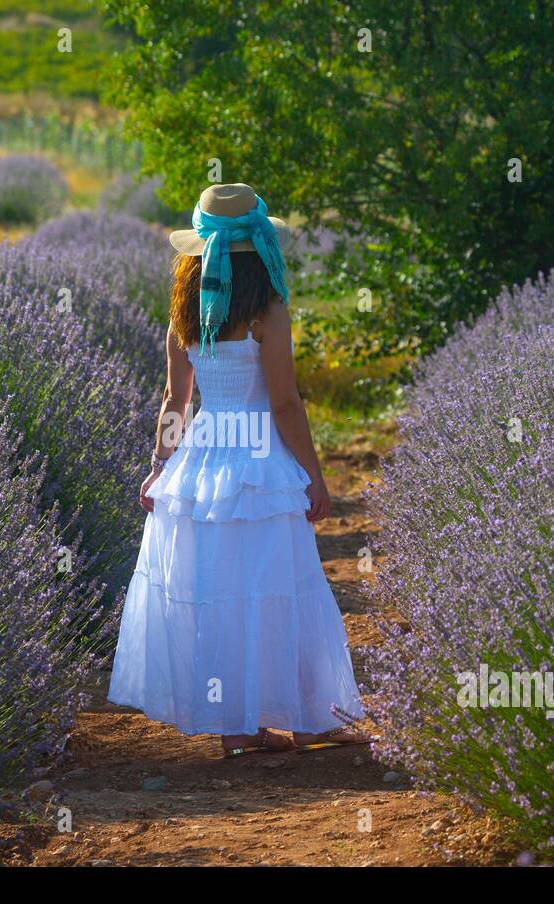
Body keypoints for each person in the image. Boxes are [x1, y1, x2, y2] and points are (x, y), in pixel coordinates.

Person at [107, 182, 370, 758]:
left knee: (218, 590)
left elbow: (176, 402)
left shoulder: (185, 309)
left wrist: (159, 468)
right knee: (278, 585)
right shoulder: (267, 309)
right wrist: (315, 477)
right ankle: (308, 719)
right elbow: (284, 404)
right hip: (259, 461)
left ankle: (239, 726)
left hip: (203, 460)